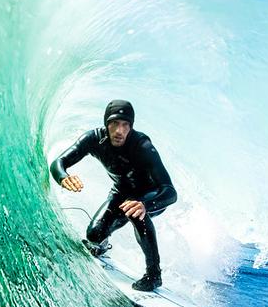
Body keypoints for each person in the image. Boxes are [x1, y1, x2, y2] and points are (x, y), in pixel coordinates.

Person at [49, 99, 177, 292]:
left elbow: (170, 191)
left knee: (134, 211)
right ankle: (102, 244)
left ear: (131, 127)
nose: (119, 131)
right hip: (121, 192)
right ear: (106, 123)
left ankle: (154, 275)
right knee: (94, 235)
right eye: (114, 123)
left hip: (150, 196)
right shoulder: (94, 139)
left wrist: (145, 205)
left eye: (126, 125)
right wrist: (63, 176)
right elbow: (59, 161)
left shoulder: (142, 146)